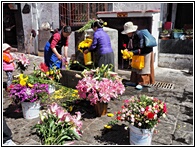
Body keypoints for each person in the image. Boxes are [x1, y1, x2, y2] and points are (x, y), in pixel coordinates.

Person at [121, 22, 155, 90]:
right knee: (135, 66)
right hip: (138, 52)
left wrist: (131, 52)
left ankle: (141, 83)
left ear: (131, 31)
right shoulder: (132, 36)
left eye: (128, 33)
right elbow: (134, 47)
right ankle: (134, 81)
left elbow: (141, 48)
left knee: (143, 68)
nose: (127, 34)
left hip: (146, 52)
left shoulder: (139, 34)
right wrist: (129, 51)